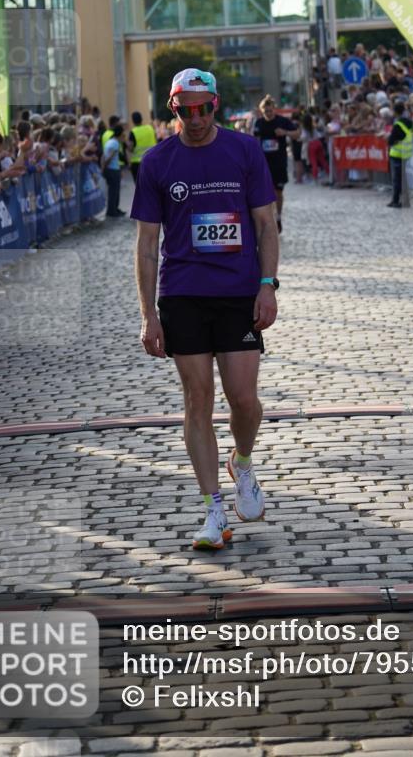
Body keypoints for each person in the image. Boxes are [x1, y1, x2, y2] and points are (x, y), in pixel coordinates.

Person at [131, 68, 279, 551]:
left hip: (238, 293)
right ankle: (213, 507)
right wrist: (148, 313)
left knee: (243, 400)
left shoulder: (244, 150)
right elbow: (147, 244)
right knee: (197, 400)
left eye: (204, 109)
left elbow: (266, 225)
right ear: (172, 108)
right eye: (184, 110)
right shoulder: (156, 162)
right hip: (183, 294)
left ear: (216, 105)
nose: (195, 119)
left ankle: (243, 460)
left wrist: (267, 286)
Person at [252, 95, 300, 233]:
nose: (268, 113)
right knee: (266, 192)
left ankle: (278, 217)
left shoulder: (282, 121)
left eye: (270, 111)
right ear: (262, 111)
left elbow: (297, 133)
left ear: (274, 110)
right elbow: (255, 140)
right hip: (264, 163)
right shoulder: (259, 123)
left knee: (278, 192)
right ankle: (269, 219)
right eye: (266, 111)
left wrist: (284, 132)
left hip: (279, 161)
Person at [387, 100, 413, 208]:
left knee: (396, 180)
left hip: (397, 155)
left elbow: (391, 140)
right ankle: (406, 201)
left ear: (395, 111)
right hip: (407, 154)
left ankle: (395, 200)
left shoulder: (398, 124)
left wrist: (389, 139)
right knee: (405, 180)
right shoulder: (410, 122)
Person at [101, 124, 125, 217]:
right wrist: (105, 167)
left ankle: (115, 208)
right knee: (114, 191)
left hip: (112, 168)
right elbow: (109, 157)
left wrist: (103, 167)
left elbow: (103, 155)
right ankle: (112, 211)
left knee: (114, 190)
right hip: (113, 169)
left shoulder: (110, 141)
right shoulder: (115, 143)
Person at [128, 111, 157, 183]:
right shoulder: (150, 128)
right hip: (152, 161)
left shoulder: (133, 132)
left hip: (137, 163)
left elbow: (130, 149)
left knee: (140, 186)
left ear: (133, 121)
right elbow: (156, 141)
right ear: (141, 119)